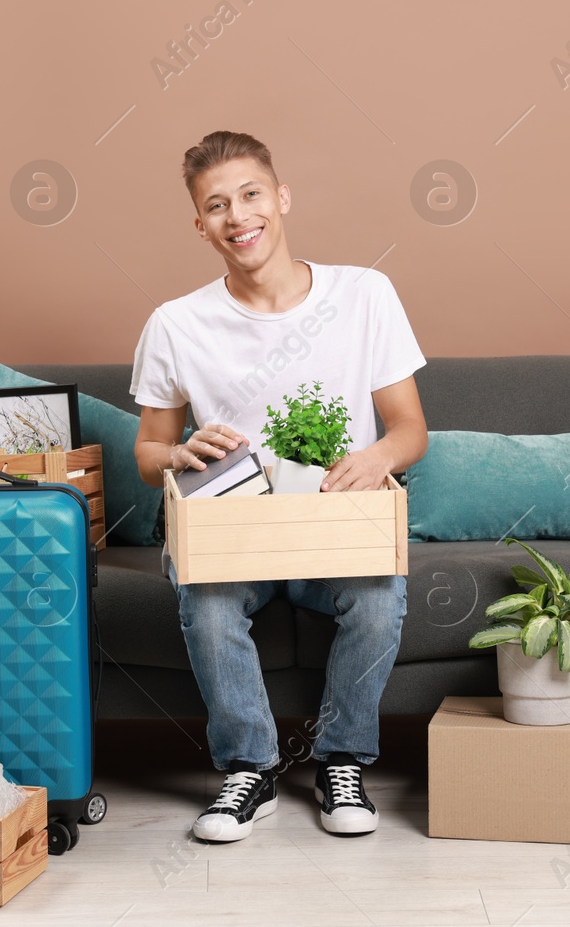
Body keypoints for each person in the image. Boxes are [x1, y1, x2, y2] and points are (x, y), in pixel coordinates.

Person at [131, 130, 428, 842]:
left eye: (251, 194)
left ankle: (342, 760)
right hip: (236, 539)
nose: (238, 216)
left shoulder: (364, 294)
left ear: (281, 197)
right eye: (217, 205)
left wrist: (379, 455)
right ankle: (250, 767)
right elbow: (145, 452)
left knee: (381, 595)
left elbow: (411, 427)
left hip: (336, 531)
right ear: (200, 224)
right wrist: (176, 450)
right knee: (203, 599)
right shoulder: (176, 323)